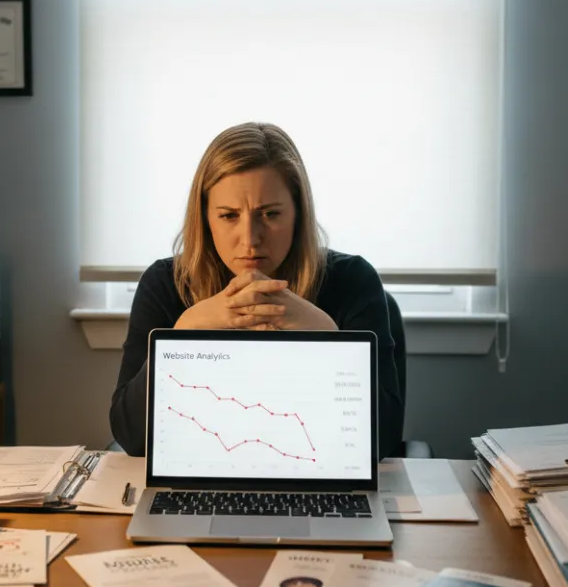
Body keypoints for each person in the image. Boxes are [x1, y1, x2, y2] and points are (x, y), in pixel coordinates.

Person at [108, 122, 403, 458]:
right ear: (205, 218)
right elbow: (131, 438)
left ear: (298, 214)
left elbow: (383, 440)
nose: (250, 239)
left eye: (270, 214)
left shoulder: (353, 281)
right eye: (229, 215)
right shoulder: (165, 284)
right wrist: (182, 335)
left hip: (313, 478)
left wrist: (328, 339)